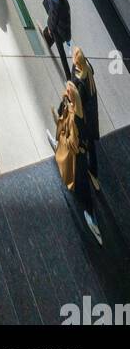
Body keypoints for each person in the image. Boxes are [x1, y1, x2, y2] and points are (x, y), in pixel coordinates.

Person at [47, 80, 101, 245]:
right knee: (78, 178)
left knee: (82, 184)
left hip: (77, 155)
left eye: (69, 95)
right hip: (71, 150)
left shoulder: (77, 116)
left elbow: (76, 140)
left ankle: (92, 217)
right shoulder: (72, 109)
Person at [71, 47, 100, 190]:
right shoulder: (88, 68)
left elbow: (78, 102)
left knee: (85, 143)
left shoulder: (81, 81)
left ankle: (81, 169)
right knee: (92, 144)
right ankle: (94, 171)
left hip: (87, 119)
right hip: (93, 114)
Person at [42, 0, 72, 79]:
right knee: (46, 34)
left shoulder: (57, 1)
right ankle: (47, 41)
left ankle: (69, 77)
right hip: (62, 30)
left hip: (58, 31)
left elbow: (53, 19)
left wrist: (50, 28)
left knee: (61, 53)